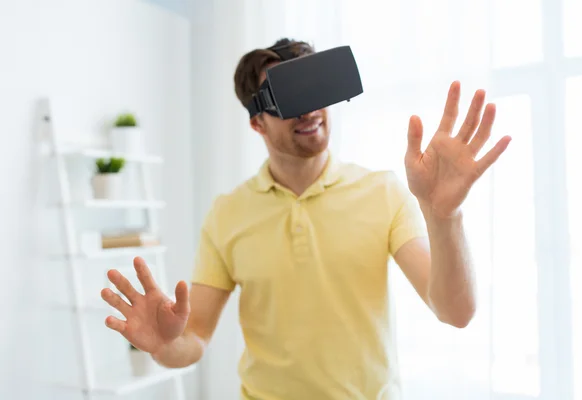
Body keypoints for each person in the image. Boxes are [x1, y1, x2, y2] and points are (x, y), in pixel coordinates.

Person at [100, 38, 512, 399]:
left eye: (316, 88)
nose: (310, 109)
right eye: (289, 96)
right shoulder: (227, 213)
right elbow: (194, 339)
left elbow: (455, 312)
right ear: (257, 121)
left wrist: (445, 216)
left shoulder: (381, 192)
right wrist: (163, 347)